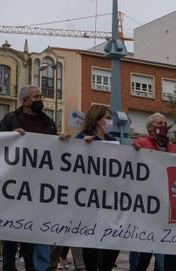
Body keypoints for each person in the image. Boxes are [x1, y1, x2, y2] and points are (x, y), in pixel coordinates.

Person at [0, 85, 61, 271]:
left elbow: (54, 149)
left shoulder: (48, 122)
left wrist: (63, 142)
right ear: (25, 101)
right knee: (11, 228)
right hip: (14, 182)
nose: (40, 99)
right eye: (36, 96)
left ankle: (30, 265)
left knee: (31, 228)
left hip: (39, 184)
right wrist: (10, 136)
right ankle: (9, 266)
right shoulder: (10, 119)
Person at [130, 113, 176, 271]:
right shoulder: (140, 144)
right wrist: (133, 151)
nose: (164, 125)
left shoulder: (174, 149)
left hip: (166, 210)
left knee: (164, 256)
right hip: (145, 209)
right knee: (141, 254)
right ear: (150, 128)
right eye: (159, 123)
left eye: (165, 122)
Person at [74, 104, 120, 271]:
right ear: (97, 119)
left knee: (113, 240)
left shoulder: (114, 141)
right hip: (90, 199)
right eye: (107, 118)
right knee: (92, 240)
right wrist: (82, 147)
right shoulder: (83, 138)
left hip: (111, 199)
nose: (110, 121)